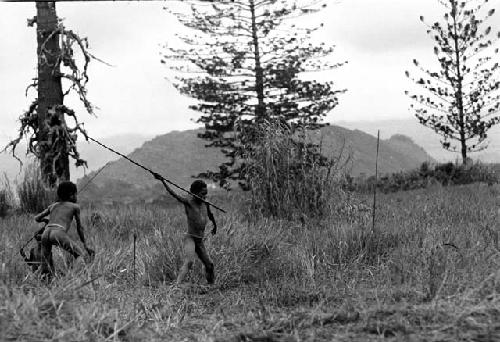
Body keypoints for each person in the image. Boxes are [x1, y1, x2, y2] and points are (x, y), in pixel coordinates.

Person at [153, 173, 217, 285]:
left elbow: (210, 215)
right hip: (190, 238)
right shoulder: (188, 202)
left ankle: (211, 285)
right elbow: (173, 194)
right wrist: (162, 181)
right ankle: (177, 285)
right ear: (195, 193)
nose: (204, 196)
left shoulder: (205, 204)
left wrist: (215, 226)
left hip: (200, 240)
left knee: (209, 265)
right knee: (190, 261)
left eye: (206, 194)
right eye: (202, 194)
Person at [34, 181, 93, 279]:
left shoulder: (53, 206)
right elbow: (79, 228)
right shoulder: (75, 207)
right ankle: (70, 279)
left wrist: (46, 220)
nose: (76, 197)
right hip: (58, 233)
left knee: (46, 261)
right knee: (80, 255)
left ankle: (44, 279)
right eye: (75, 194)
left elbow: (37, 218)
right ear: (71, 195)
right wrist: (85, 244)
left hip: (46, 233)